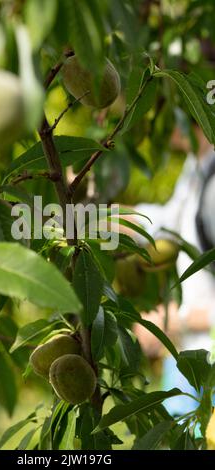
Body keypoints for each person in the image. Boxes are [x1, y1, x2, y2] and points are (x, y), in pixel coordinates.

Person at [133, 125, 215, 416]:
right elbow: (165, 222)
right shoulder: (198, 166)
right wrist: (89, 216)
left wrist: (176, 322)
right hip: (190, 364)